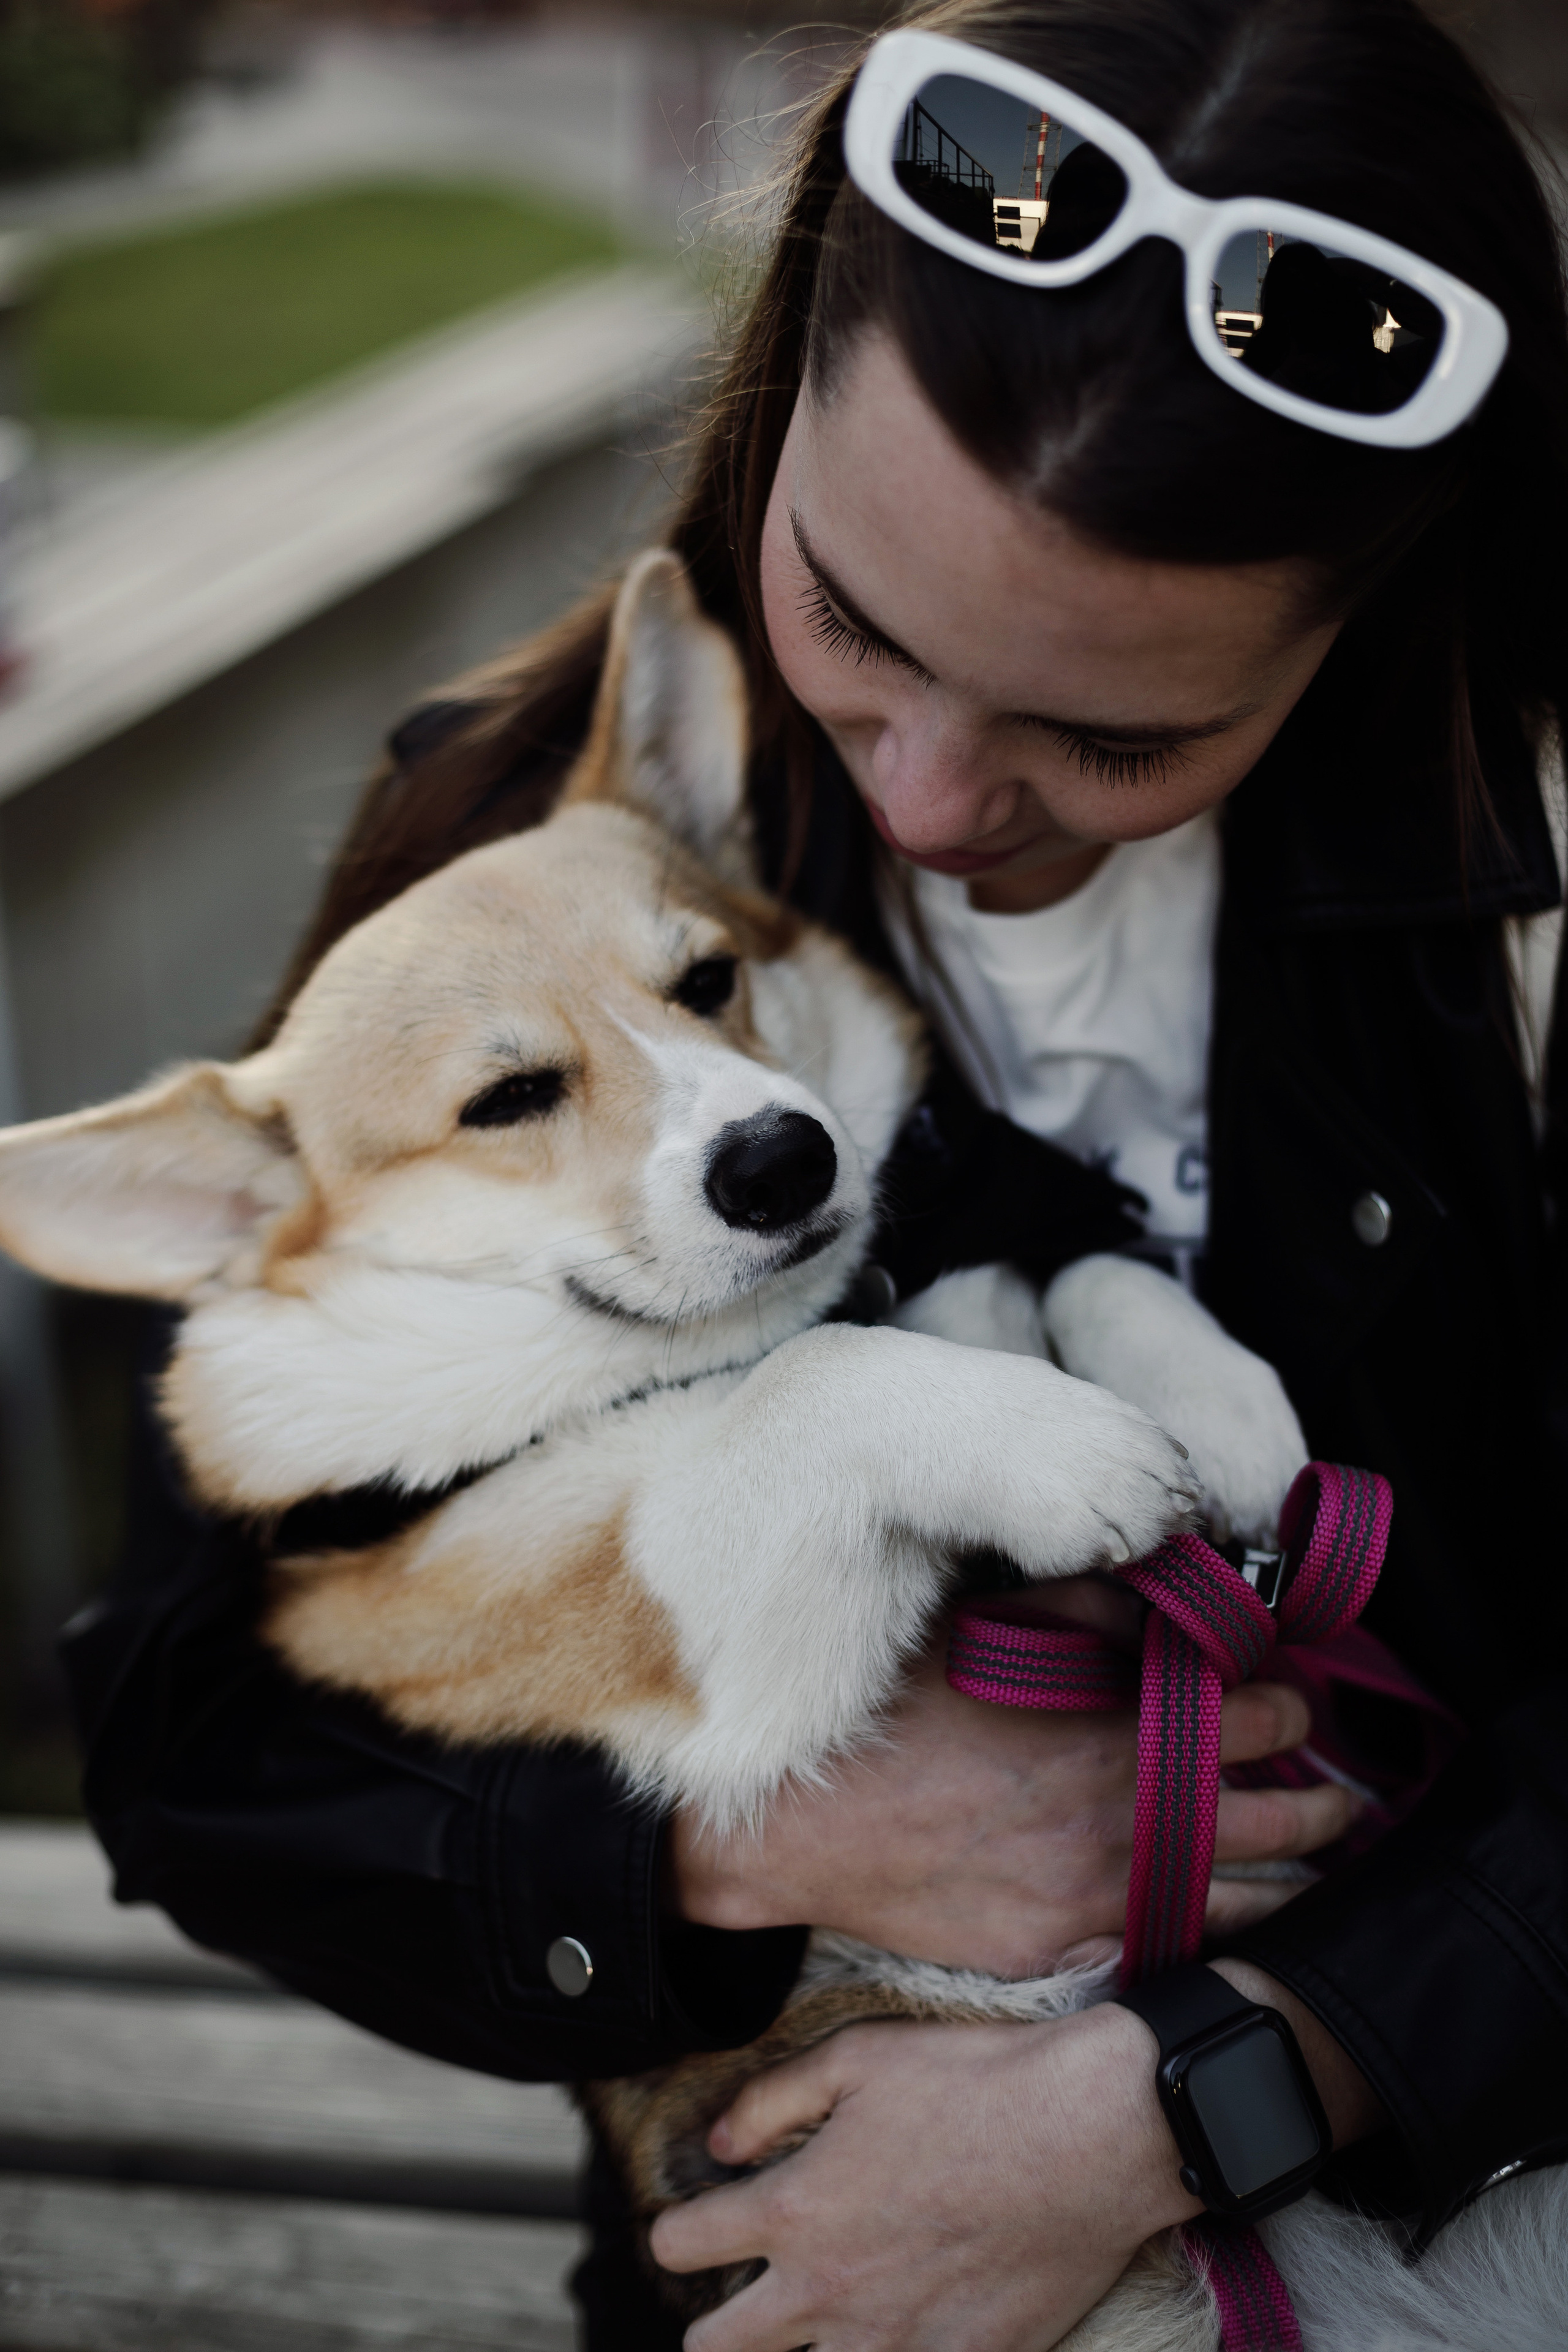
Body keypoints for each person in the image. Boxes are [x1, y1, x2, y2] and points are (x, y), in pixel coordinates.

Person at [63, 1, 1568, 2346]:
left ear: (1378, 616)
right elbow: (192, 1744)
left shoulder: (1533, 916)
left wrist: (1239, 2087)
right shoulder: (513, 841)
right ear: (778, 392)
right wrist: (707, 1840)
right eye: (851, 625)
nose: (930, 806)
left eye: (1117, 733)